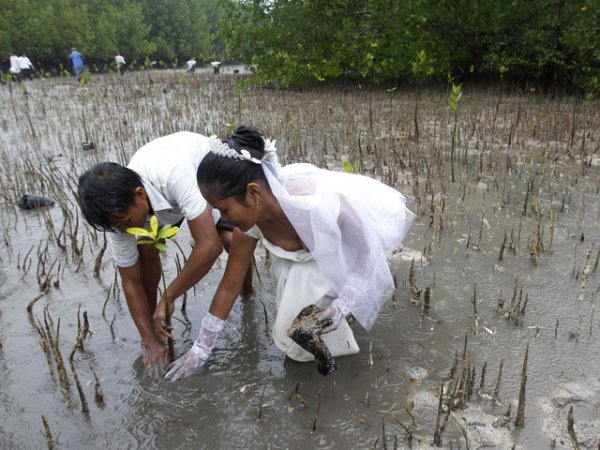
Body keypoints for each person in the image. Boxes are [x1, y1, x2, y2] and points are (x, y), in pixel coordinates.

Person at [162, 126, 415, 381]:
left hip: (351, 252)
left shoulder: (319, 207)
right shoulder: (247, 227)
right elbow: (230, 285)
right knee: (292, 318)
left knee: (306, 293)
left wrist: (341, 306)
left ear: (253, 192)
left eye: (224, 210)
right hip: (308, 260)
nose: (222, 219)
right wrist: (201, 349)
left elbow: (367, 257)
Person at [77, 131, 255, 375]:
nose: (124, 230)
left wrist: (168, 297)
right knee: (145, 249)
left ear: (139, 195)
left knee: (229, 240)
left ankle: (248, 292)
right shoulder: (116, 216)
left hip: (205, 176)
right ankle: (154, 324)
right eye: (116, 226)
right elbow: (130, 280)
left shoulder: (174, 174)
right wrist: (148, 339)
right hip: (162, 202)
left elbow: (209, 246)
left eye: (125, 221)